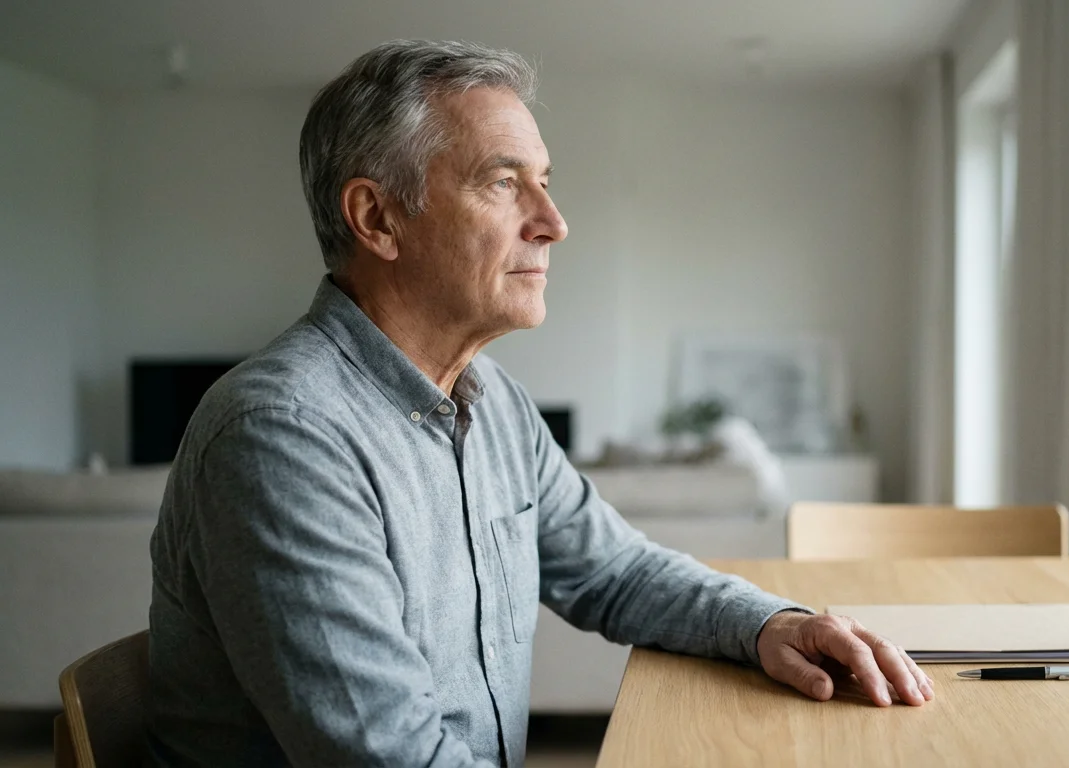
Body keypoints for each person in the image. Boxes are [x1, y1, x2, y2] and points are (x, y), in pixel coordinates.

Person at [145, 39, 933, 767]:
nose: (553, 223)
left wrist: (770, 624)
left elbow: (615, 571)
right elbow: (387, 757)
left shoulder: (495, 404)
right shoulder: (282, 438)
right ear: (377, 218)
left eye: (545, 184)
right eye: (503, 182)